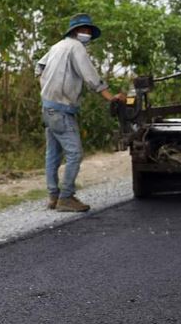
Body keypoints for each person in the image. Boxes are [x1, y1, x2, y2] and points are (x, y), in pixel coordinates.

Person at [35, 13, 120, 213]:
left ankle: (53, 195)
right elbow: (90, 76)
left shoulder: (56, 47)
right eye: (85, 30)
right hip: (62, 109)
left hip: (47, 106)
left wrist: (46, 86)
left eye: (89, 31)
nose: (87, 34)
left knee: (53, 154)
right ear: (76, 31)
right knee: (75, 154)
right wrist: (110, 97)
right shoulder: (77, 48)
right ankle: (66, 197)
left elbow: (39, 67)